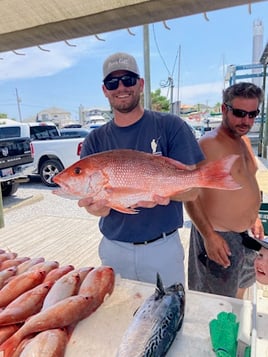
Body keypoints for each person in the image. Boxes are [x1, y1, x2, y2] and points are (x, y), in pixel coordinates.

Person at [78, 52, 204, 287]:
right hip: (114, 249)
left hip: (162, 249)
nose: (121, 87)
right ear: (105, 90)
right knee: (118, 317)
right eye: (112, 82)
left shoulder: (170, 126)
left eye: (128, 79)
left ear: (141, 84)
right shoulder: (94, 141)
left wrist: (162, 193)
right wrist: (97, 207)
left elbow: (193, 190)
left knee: (170, 317)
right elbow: (99, 211)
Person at [184, 82, 265, 299]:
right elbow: (189, 196)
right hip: (219, 240)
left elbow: (247, 181)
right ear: (224, 109)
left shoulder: (244, 140)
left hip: (247, 237)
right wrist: (209, 236)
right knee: (214, 306)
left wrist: (254, 216)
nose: (246, 121)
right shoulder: (207, 145)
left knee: (239, 299)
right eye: (239, 113)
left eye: (252, 114)